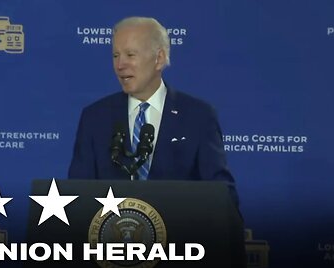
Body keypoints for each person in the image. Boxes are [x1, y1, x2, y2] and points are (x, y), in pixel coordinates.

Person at [68, 16, 238, 205]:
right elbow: (78, 195)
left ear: (159, 58)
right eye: (116, 55)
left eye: (130, 55)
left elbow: (222, 194)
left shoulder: (198, 117)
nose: (120, 65)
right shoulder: (95, 117)